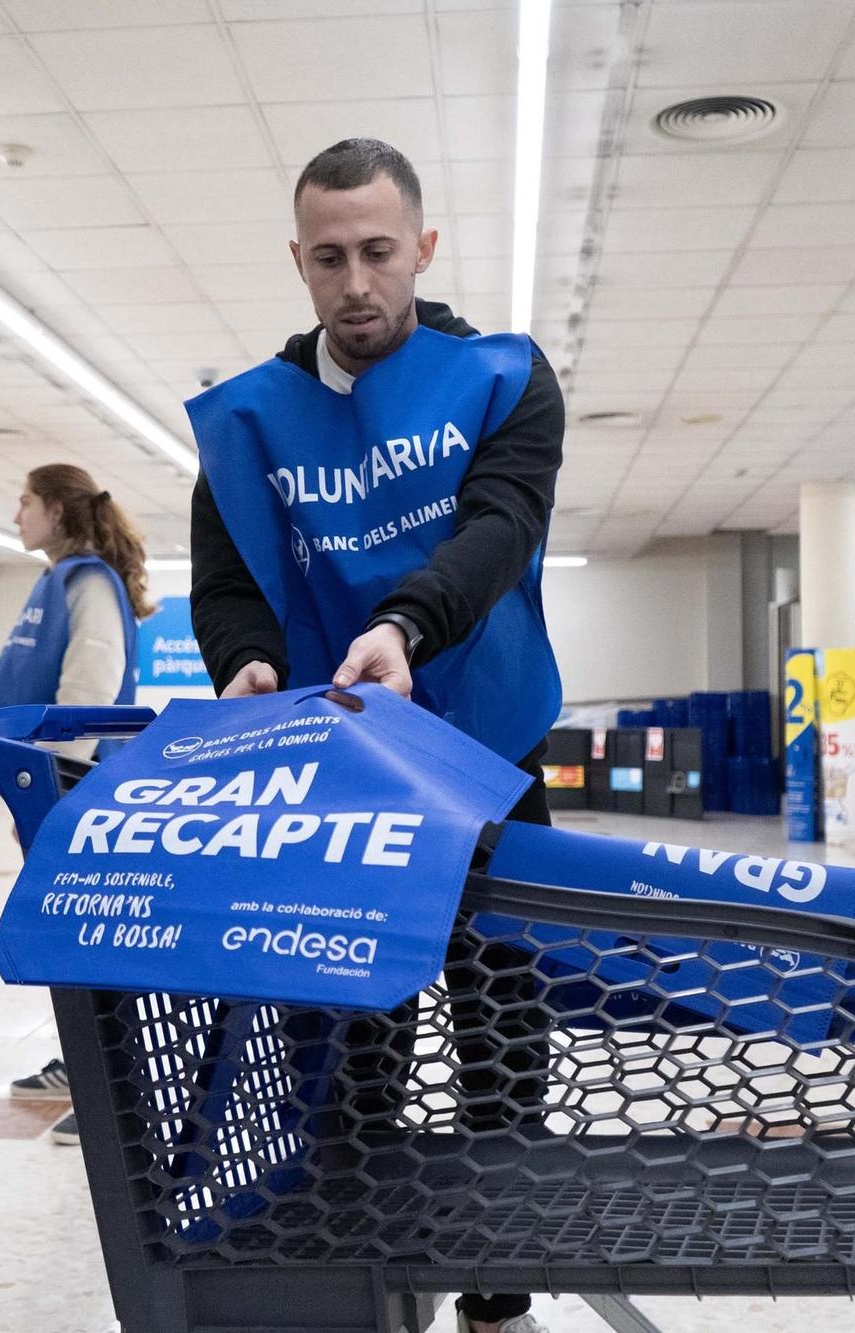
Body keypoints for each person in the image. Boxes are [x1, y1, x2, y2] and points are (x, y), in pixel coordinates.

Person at [185, 138, 564, 1333]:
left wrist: (404, 622)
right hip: (340, 776)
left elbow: (497, 531)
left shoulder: (500, 382)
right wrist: (241, 661)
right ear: (297, 260)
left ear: (423, 250)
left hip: (489, 753)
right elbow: (230, 576)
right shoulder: (251, 421)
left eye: (379, 253)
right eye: (330, 258)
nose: (356, 284)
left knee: (502, 1021)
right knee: (358, 1041)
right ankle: (376, 1273)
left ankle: (494, 1289)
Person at [0, 463, 153, 1147]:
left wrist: (58, 772)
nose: (16, 513)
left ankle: (116, 1091)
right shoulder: (57, 580)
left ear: (56, 509)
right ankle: (89, 1068)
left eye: (25, 501)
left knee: (93, 940)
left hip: (73, 785)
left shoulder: (87, 581)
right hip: (50, 782)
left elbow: (92, 683)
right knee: (74, 939)